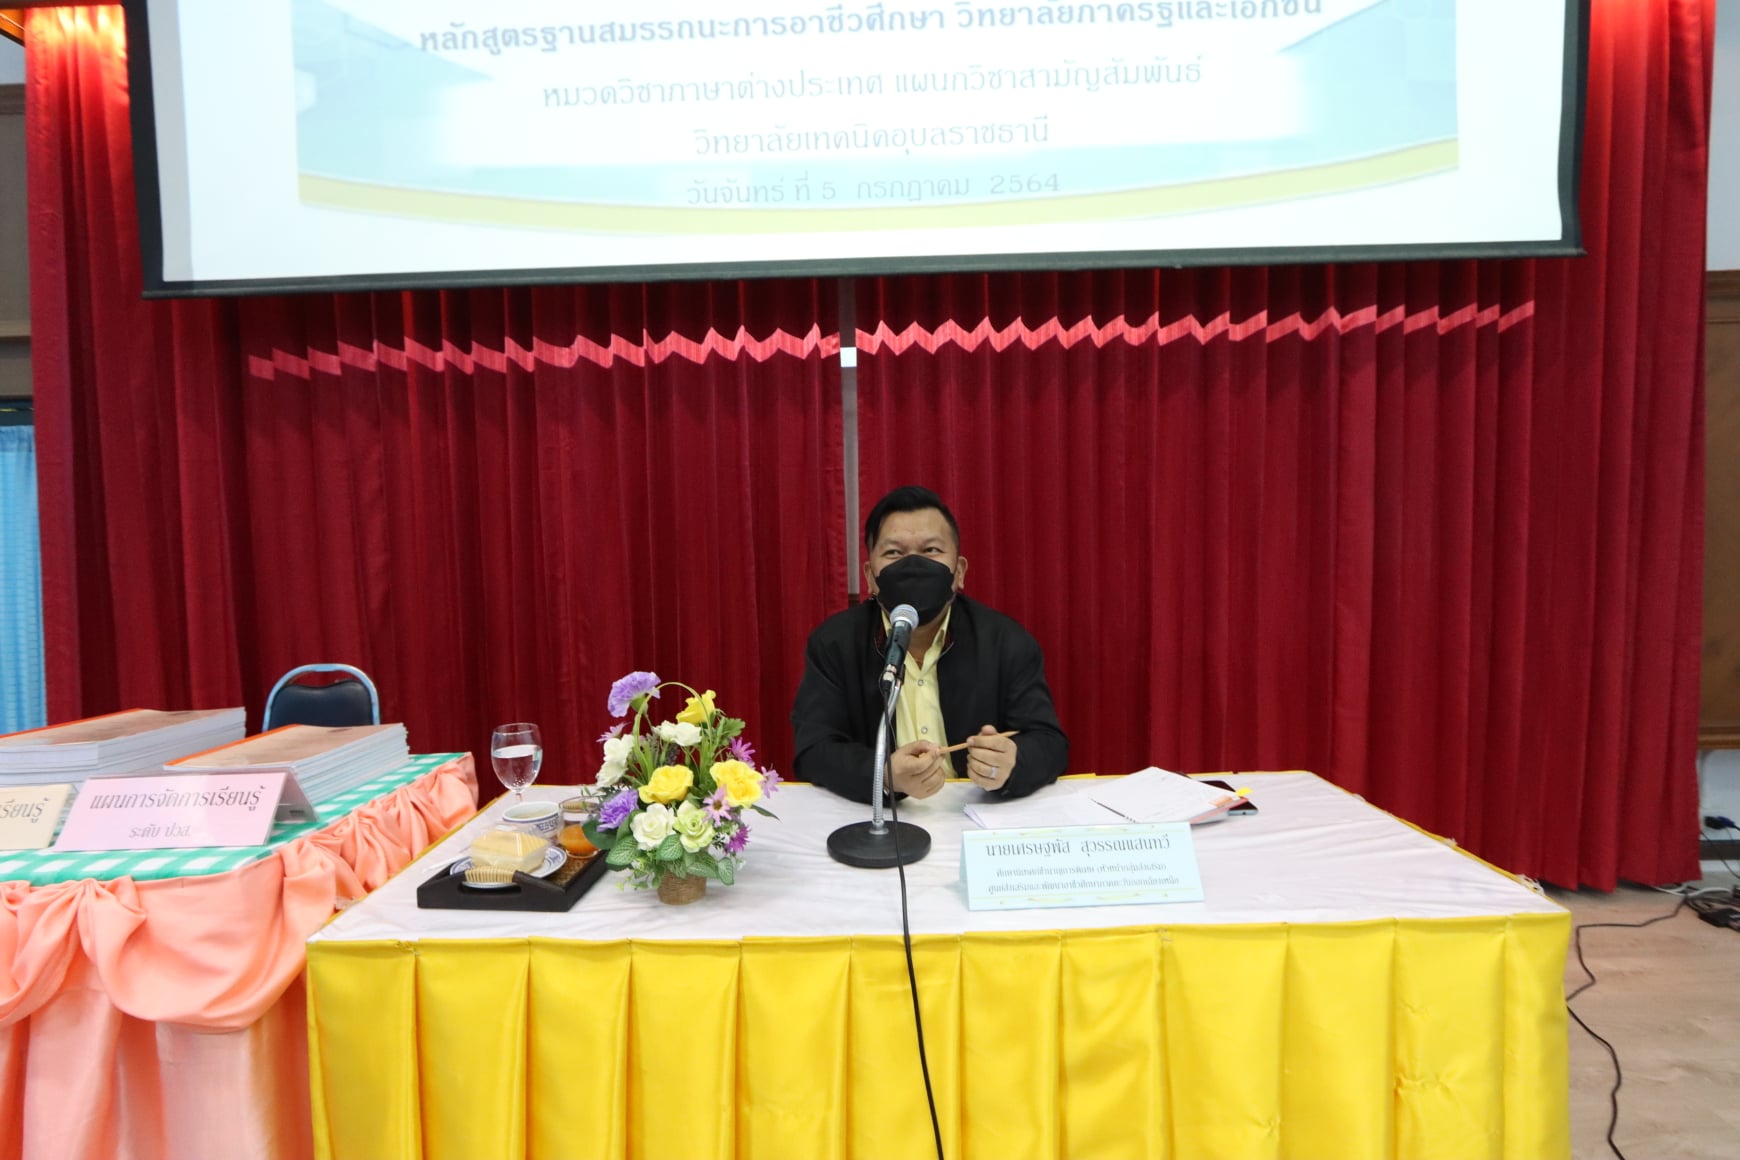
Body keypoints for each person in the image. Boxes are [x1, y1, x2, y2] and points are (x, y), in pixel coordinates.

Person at [791, 485, 1068, 803]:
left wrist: (1012, 763)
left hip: (975, 812)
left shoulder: (1006, 642)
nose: (913, 566)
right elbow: (814, 749)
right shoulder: (834, 644)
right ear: (870, 577)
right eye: (894, 553)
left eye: (931, 550)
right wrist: (883, 775)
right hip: (877, 817)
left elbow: (1050, 743)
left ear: (959, 572)